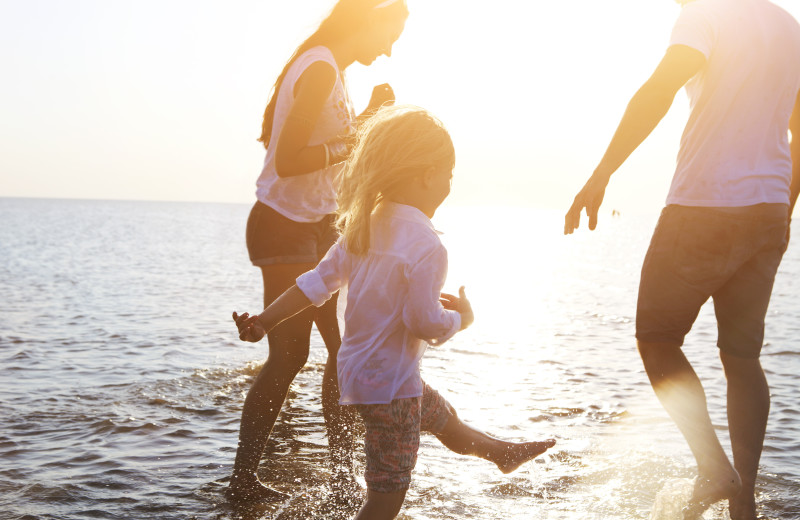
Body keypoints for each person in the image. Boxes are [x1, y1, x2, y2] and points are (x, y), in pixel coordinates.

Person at [235, 105, 556, 519]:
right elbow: (423, 321)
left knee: (442, 418)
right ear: (427, 175)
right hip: (392, 390)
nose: (450, 185)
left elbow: (313, 285)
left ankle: (500, 453)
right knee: (385, 498)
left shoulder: (361, 227)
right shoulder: (427, 245)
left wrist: (264, 321)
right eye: (449, 174)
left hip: (356, 378)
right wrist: (462, 320)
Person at [564, 1, 800, 518]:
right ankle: (744, 501)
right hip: (768, 209)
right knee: (742, 360)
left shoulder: (704, 15)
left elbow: (659, 90)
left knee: (658, 338)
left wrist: (601, 172)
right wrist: (785, 206)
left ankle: (713, 467)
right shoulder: (788, 25)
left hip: (704, 205)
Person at [229, 0, 411, 503]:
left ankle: (343, 479)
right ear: (367, 18)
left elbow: (329, 147)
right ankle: (242, 482)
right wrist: (357, 133)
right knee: (291, 355)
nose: (389, 48)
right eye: (389, 34)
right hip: (283, 224)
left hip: (319, 224)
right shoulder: (318, 67)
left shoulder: (332, 69)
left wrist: (370, 118)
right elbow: (287, 160)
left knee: (344, 350)